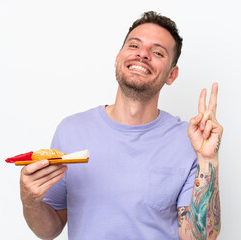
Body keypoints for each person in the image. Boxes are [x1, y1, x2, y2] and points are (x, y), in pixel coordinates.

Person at [20, 11, 222, 240]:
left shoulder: (189, 140)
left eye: (157, 52)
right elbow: (48, 230)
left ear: (171, 75)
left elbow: (199, 238)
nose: (142, 55)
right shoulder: (71, 131)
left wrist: (208, 160)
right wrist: (30, 201)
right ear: (118, 58)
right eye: (134, 46)